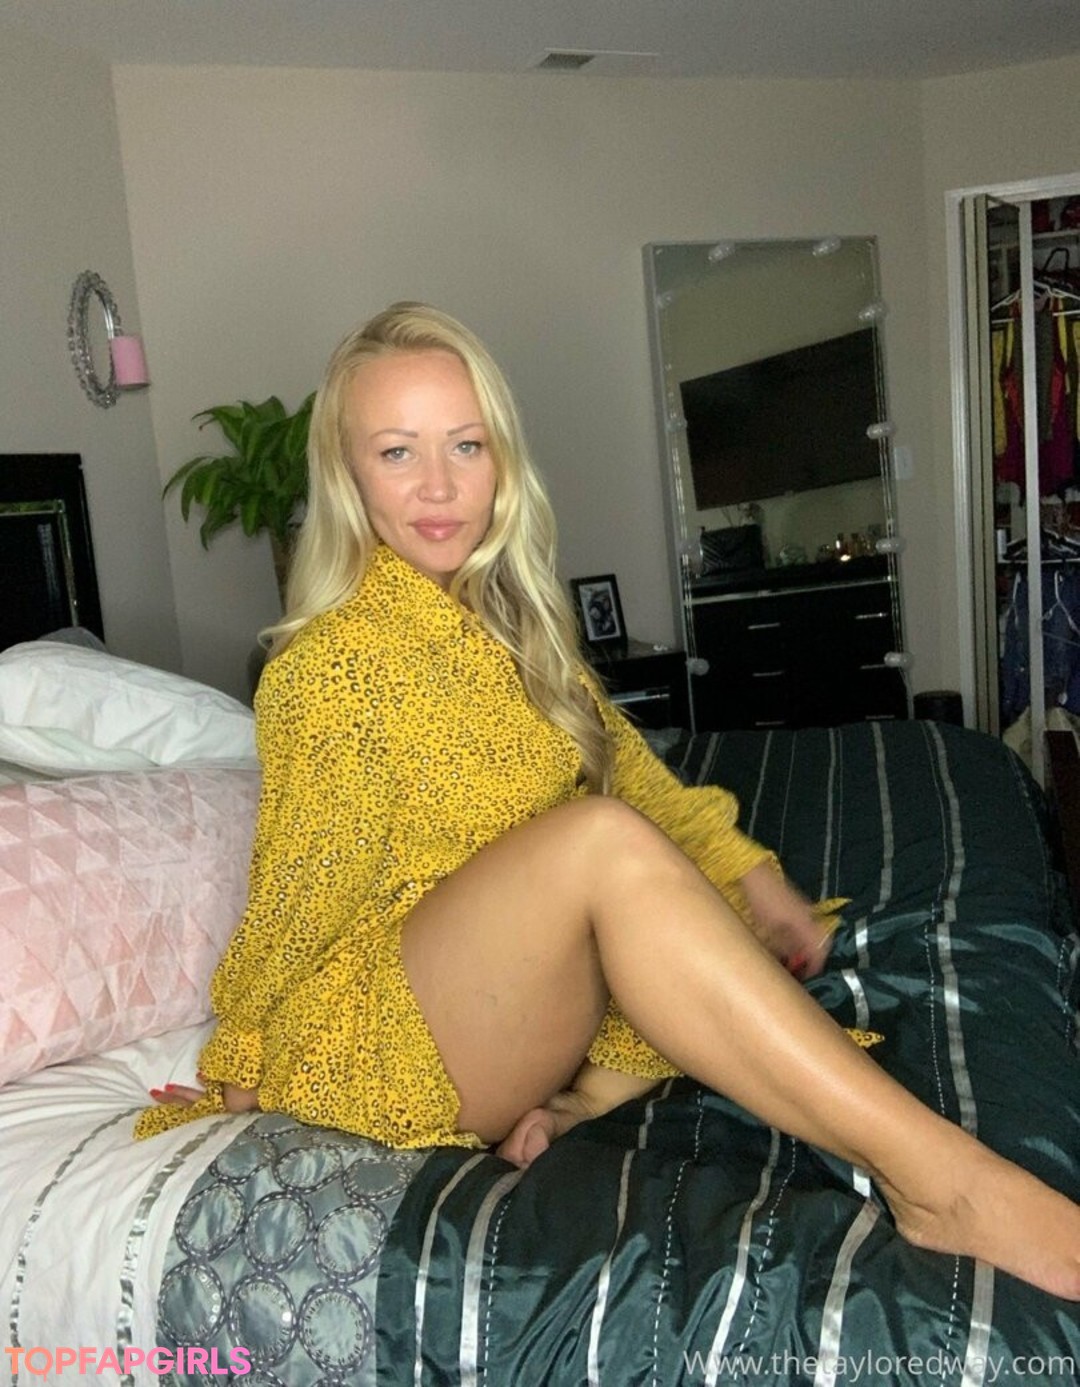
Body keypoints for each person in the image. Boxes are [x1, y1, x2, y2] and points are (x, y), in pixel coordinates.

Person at [139, 302, 1080, 1302]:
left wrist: (751, 872)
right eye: (397, 451)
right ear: (348, 475)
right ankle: (944, 1182)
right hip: (382, 1034)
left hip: (500, 999)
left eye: (466, 445)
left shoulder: (512, 629)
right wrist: (242, 1061)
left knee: (660, 891)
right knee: (601, 845)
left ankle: (583, 1103)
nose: (439, 485)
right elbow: (297, 898)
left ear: (501, 460)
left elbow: (635, 773)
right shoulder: (325, 669)